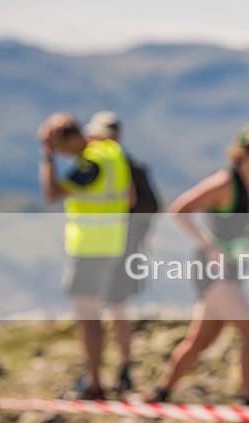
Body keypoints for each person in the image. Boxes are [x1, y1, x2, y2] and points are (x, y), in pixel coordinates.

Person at [145, 122, 249, 405]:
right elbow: (179, 210)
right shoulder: (225, 183)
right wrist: (208, 244)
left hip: (234, 270)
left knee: (199, 342)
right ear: (245, 153)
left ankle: (161, 393)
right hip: (211, 269)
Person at [37, 112, 132, 400]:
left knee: (88, 316)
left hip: (90, 248)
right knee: (100, 311)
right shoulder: (111, 152)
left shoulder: (89, 164)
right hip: (113, 243)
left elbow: (53, 193)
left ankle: (94, 383)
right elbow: (130, 197)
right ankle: (100, 374)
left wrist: (47, 156)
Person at [84, 111, 161, 394]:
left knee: (96, 310)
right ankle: (124, 367)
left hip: (108, 248)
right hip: (128, 249)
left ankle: (96, 375)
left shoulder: (105, 164)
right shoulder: (135, 166)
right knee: (118, 309)